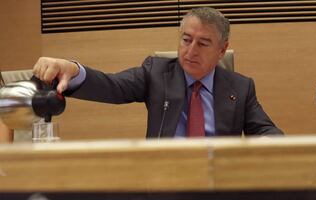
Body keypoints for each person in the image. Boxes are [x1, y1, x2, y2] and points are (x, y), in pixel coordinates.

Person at [33, 7, 283, 138]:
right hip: (164, 189)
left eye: (203, 43)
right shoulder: (156, 73)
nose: (191, 50)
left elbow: (267, 132)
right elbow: (112, 85)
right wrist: (73, 69)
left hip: (220, 193)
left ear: (222, 50)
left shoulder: (240, 88)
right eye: (186, 39)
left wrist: (263, 145)